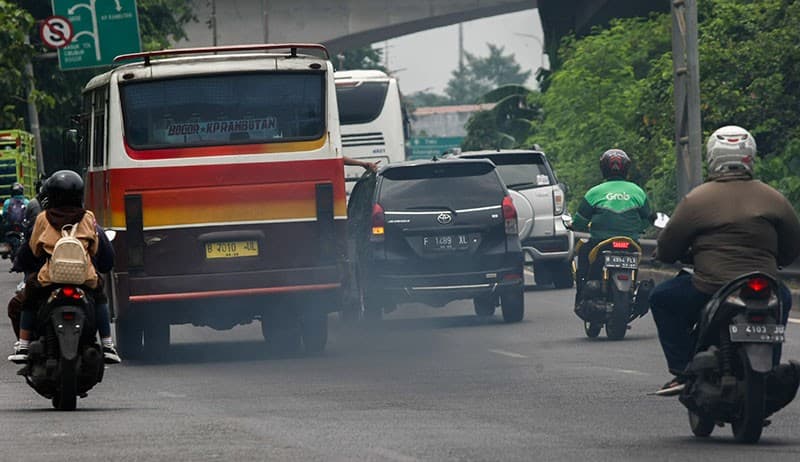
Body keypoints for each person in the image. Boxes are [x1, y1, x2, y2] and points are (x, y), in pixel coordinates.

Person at [650, 125, 800, 396]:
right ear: (750, 155)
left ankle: (682, 369)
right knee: (783, 301)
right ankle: (771, 370)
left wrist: (666, 256)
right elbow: (792, 246)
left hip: (710, 286)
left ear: (713, 156)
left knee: (661, 298)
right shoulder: (774, 197)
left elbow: (669, 246)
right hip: (765, 284)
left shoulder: (696, 199)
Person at [7, 170, 121, 364]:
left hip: (50, 278)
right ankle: (108, 344)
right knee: (100, 296)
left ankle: (24, 345)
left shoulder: (43, 218)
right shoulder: (88, 217)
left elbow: (33, 249)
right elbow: (96, 248)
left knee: (29, 296)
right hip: (84, 278)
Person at [571, 149, 653, 301]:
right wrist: (639, 229)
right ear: (626, 169)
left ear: (603, 168)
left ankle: (581, 294)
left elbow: (580, 220)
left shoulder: (594, 192)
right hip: (631, 242)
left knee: (582, 252)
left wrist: (575, 226)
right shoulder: (638, 191)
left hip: (600, 242)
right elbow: (648, 218)